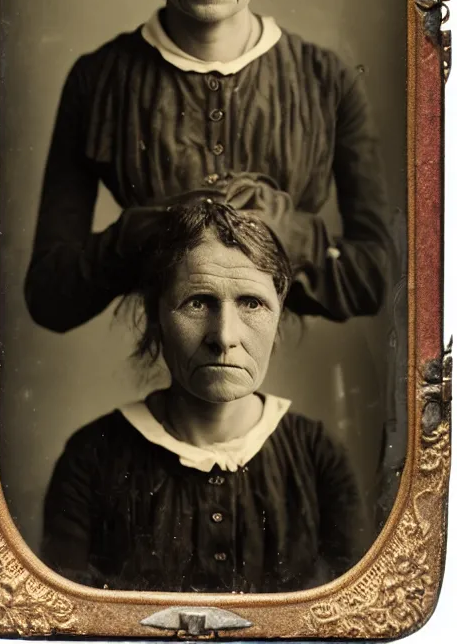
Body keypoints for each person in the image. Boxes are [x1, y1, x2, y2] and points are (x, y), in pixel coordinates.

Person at [25, 0, 392, 333]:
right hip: (155, 359)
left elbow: (381, 278)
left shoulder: (329, 80)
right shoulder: (99, 80)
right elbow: (49, 297)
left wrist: (289, 233)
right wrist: (144, 231)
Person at [42, 201, 365, 592]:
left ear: (279, 315)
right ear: (156, 315)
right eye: (198, 302)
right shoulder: (91, 459)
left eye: (252, 303)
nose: (224, 337)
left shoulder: (318, 457)